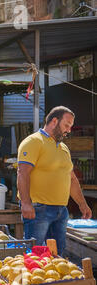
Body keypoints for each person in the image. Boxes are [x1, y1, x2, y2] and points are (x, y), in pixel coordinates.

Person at [17, 106, 92, 256]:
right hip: (38, 209)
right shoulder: (33, 142)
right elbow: (23, 172)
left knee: (57, 255)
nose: (69, 130)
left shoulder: (64, 148)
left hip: (61, 211)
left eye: (70, 126)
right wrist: (26, 203)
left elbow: (71, 178)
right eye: (66, 125)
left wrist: (82, 204)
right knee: (35, 255)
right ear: (54, 121)